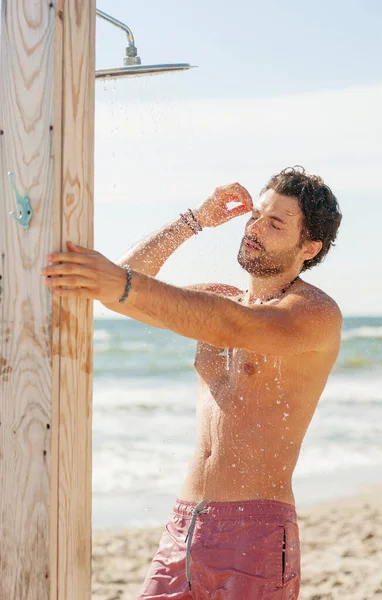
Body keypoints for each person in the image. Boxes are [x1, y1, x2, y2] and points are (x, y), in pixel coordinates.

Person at [40, 166, 343, 600]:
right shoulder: (219, 299)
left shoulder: (313, 314)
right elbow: (116, 287)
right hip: (183, 524)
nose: (254, 227)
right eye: (255, 214)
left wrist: (121, 283)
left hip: (253, 530)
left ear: (309, 247)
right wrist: (192, 222)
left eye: (275, 222)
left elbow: (234, 326)